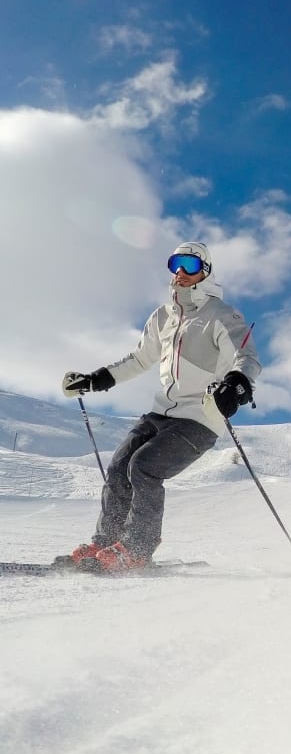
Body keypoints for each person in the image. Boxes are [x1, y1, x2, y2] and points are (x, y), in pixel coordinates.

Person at [61, 242, 261, 572]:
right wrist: (95, 379)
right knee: (119, 467)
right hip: (160, 412)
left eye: (190, 264)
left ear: (205, 271)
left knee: (143, 467)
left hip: (198, 418)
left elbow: (247, 357)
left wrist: (237, 383)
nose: (181, 272)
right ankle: (106, 542)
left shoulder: (220, 314)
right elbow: (139, 359)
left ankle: (138, 548)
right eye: (175, 264)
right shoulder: (163, 316)